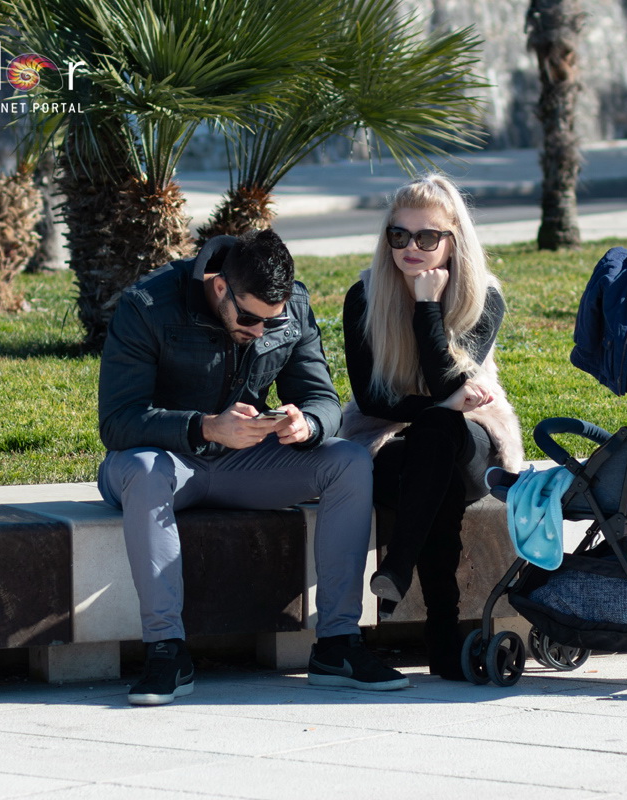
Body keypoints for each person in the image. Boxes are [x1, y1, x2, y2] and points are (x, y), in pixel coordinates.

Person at [97, 229, 409, 706]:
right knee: (145, 469)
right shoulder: (148, 304)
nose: (260, 330)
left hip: (243, 462)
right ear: (220, 286)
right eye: (248, 318)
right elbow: (118, 422)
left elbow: (323, 399)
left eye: (271, 320)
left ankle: (338, 646)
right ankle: (166, 652)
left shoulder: (293, 305)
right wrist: (205, 427)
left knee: (347, 460)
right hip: (160, 465)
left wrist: (307, 424)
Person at [339, 174, 524, 680]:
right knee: (434, 445)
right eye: (399, 235)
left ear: (453, 241)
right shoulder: (365, 296)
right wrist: (442, 405)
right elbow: (373, 399)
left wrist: (426, 306)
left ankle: (399, 567)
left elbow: (445, 379)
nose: (410, 248)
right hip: (388, 441)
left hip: (472, 442)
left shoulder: (483, 296)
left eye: (427, 237)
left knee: (439, 437)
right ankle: (443, 635)